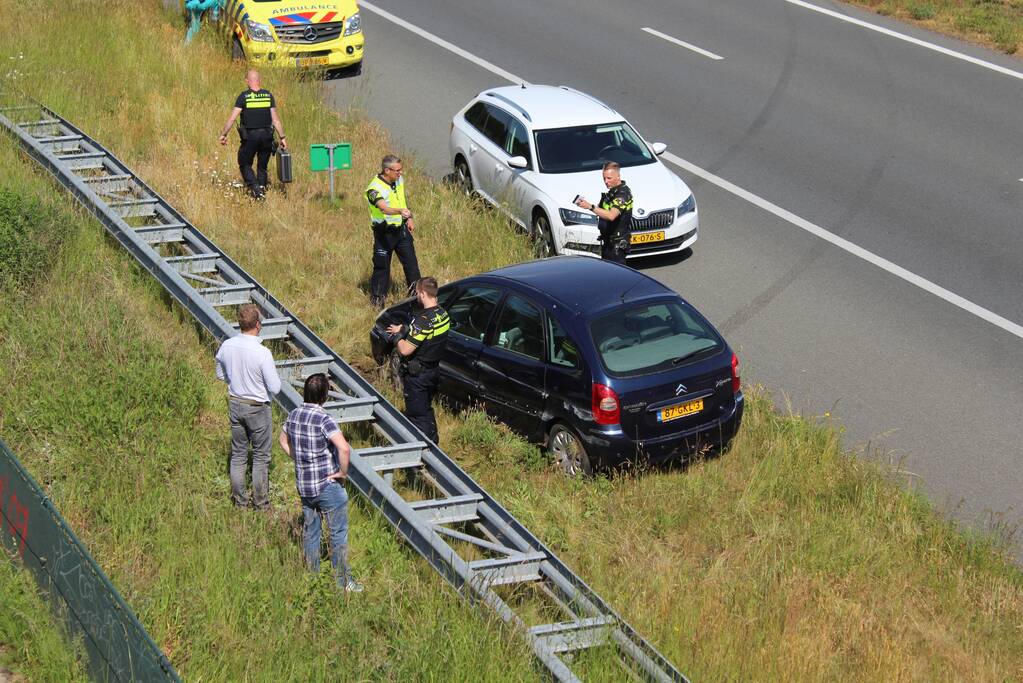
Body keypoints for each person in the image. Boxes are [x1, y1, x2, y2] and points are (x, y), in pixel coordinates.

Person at [278, 374, 362, 592]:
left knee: (311, 532)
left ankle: (312, 577)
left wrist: (298, 459)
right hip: (327, 485)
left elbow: (282, 440)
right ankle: (344, 582)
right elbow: (343, 448)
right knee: (337, 533)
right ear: (325, 395)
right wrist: (342, 473)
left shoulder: (294, 414)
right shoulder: (324, 419)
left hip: (304, 485)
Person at [215, 303, 282, 510]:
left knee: (238, 454)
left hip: (235, 403)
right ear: (257, 325)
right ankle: (261, 503)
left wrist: (234, 380)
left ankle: (239, 503)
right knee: (261, 456)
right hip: (257, 407)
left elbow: (219, 373)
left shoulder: (227, 345)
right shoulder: (263, 353)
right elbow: (276, 387)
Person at [385, 277, 449, 444]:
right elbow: (427, 336)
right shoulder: (443, 315)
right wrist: (406, 329)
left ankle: (422, 455)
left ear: (422, 294)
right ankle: (433, 442)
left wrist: (397, 337)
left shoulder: (423, 321)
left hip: (417, 378)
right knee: (426, 410)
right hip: (433, 372)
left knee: (417, 417)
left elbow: (405, 350)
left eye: (417, 294)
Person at [218, 69, 288, 199]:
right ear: (259, 81)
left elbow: (232, 118)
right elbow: (275, 119)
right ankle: (261, 189)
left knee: (244, 163)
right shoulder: (268, 95)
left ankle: (255, 189)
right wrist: (282, 137)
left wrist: (223, 134)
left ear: (247, 81)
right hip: (267, 136)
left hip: (250, 137)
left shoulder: (244, 96)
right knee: (262, 166)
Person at [366, 155, 421, 310]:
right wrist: (401, 211)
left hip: (402, 231)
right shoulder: (373, 189)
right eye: (397, 170)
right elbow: (384, 208)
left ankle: (417, 299)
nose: (400, 173)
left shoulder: (398, 180)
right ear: (386, 170)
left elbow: (401, 199)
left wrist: (409, 217)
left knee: (412, 266)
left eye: (401, 169)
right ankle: (377, 303)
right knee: (382, 268)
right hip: (384, 234)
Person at [574, 161, 634, 264]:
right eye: (604, 178)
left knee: (616, 276)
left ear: (618, 176)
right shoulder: (611, 192)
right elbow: (602, 211)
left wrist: (590, 206)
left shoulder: (623, 194)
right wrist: (585, 204)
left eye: (609, 178)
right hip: (607, 242)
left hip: (617, 246)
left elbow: (611, 216)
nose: (606, 181)